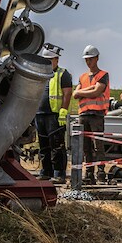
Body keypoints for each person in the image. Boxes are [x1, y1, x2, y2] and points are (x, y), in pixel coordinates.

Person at [73, 45, 110, 183]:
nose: (88, 62)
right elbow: (75, 94)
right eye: (86, 59)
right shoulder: (82, 77)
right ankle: (89, 174)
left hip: (96, 114)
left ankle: (100, 173)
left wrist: (82, 92)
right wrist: (89, 89)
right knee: (86, 146)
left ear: (97, 58)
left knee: (98, 145)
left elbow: (97, 92)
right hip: (84, 114)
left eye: (91, 59)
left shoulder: (103, 75)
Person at [34, 49, 72, 182]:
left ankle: (59, 174)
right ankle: (46, 171)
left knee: (56, 145)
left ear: (56, 60)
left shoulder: (63, 74)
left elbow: (67, 93)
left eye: (50, 60)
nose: (48, 63)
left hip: (54, 115)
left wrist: (63, 110)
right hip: (40, 114)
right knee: (44, 145)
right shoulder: (40, 74)